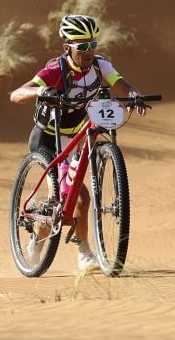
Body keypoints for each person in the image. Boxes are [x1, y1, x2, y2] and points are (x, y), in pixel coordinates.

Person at [10, 14, 148, 272]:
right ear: (67, 48)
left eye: (93, 44)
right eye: (82, 46)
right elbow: (16, 95)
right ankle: (48, 246)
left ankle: (84, 254)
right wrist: (40, 91)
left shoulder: (100, 65)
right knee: (64, 196)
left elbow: (120, 82)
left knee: (80, 198)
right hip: (48, 138)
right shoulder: (56, 69)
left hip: (75, 136)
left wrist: (133, 93)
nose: (89, 51)